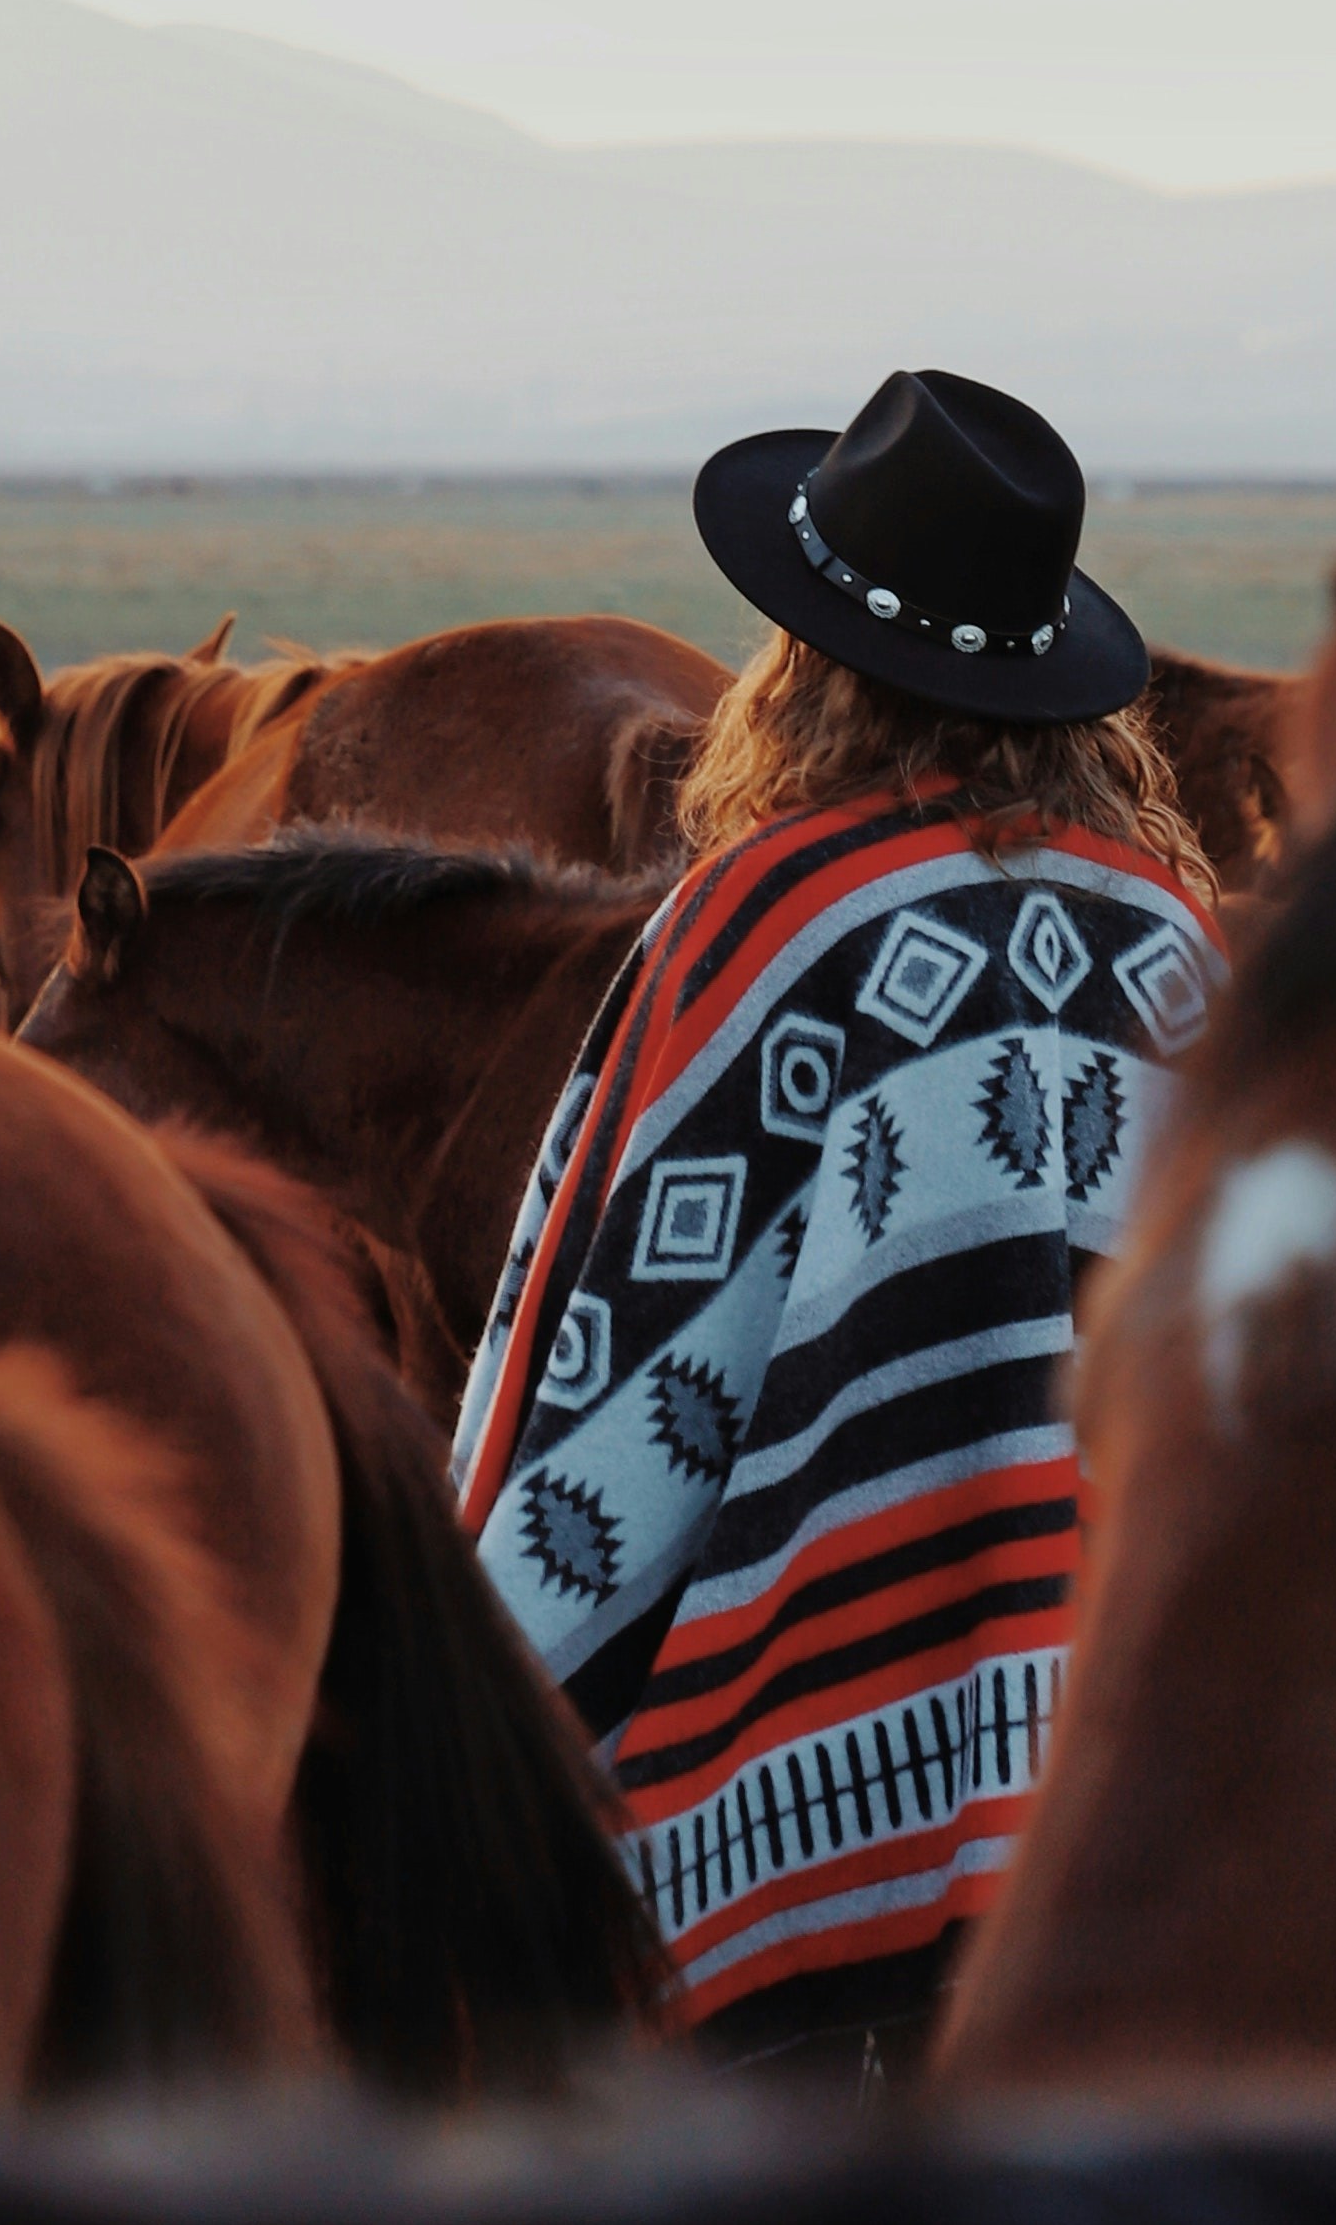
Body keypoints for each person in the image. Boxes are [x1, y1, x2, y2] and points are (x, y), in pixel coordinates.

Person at [453, 367, 1225, 2082]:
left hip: (796, 1724)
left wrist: (492, 1690)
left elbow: (622, 1340)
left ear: (805, 669)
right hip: (1106, 1742)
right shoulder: (1174, 940)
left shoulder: (765, 918)